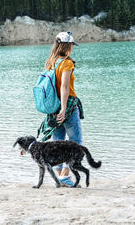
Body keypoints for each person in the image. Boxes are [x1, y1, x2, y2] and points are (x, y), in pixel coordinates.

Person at [37, 31, 84, 187]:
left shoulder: (51, 61)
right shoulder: (67, 63)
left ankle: (59, 176)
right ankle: (65, 174)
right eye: (71, 45)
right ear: (68, 45)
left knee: (56, 142)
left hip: (52, 107)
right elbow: (64, 86)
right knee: (75, 142)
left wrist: (58, 109)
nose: (72, 48)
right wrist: (64, 109)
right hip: (67, 106)